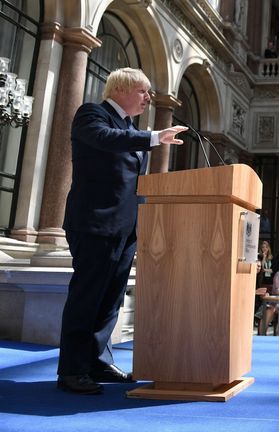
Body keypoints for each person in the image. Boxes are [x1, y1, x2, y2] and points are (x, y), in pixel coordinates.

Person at [57, 68, 187, 394]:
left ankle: (97, 362)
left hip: (126, 228)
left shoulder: (131, 128)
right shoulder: (92, 114)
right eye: (144, 92)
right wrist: (155, 138)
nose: (147, 99)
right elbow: (105, 140)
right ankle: (72, 370)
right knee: (87, 297)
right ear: (123, 89)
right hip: (95, 224)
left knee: (111, 301)